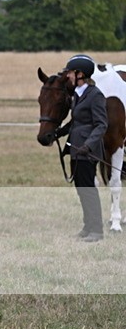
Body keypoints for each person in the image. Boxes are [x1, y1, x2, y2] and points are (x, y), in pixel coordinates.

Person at [55, 54, 107, 242]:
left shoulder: (95, 95)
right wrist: (58, 133)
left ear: (80, 74)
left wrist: (88, 145)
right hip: (76, 148)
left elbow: (101, 124)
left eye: (70, 72)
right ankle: (88, 226)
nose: (68, 75)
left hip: (87, 150)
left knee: (88, 190)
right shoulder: (78, 94)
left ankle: (97, 230)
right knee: (81, 189)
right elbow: (75, 122)